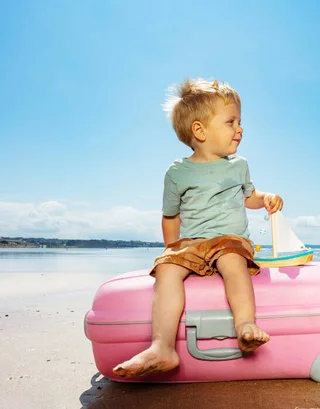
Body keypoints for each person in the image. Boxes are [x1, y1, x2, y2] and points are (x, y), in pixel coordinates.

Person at [113, 78, 283, 379]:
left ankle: (245, 325)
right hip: (192, 242)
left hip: (230, 240)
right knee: (166, 269)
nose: (239, 129)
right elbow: (170, 215)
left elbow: (249, 198)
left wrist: (266, 198)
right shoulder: (177, 172)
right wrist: (171, 250)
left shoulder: (238, 165)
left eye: (239, 121)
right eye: (230, 122)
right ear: (199, 130)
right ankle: (162, 348)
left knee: (232, 261)